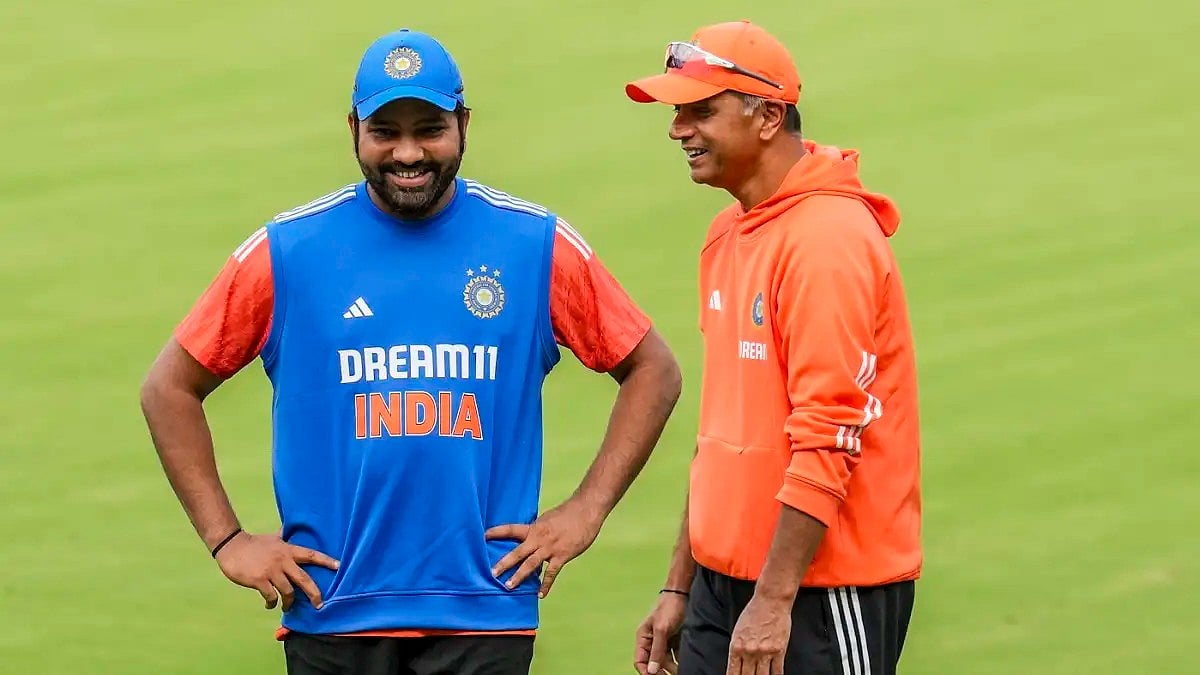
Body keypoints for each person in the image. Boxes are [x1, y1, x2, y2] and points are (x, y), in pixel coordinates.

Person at [139, 28, 682, 675]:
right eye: (384, 131)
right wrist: (227, 540)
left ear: (464, 124)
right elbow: (168, 386)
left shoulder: (533, 244)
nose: (407, 152)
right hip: (333, 608)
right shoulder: (288, 251)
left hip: (485, 610)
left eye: (429, 128)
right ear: (353, 129)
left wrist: (586, 509)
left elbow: (653, 367)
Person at [623, 20, 922, 675]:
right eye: (677, 112)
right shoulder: (728, 233)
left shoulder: (827, 242)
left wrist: (774, 597)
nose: (678, 129)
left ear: (767, 117)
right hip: (724, 585)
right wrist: (683, 580)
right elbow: (721, 433)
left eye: (701, 111)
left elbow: (829, 434)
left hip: (820, 590)